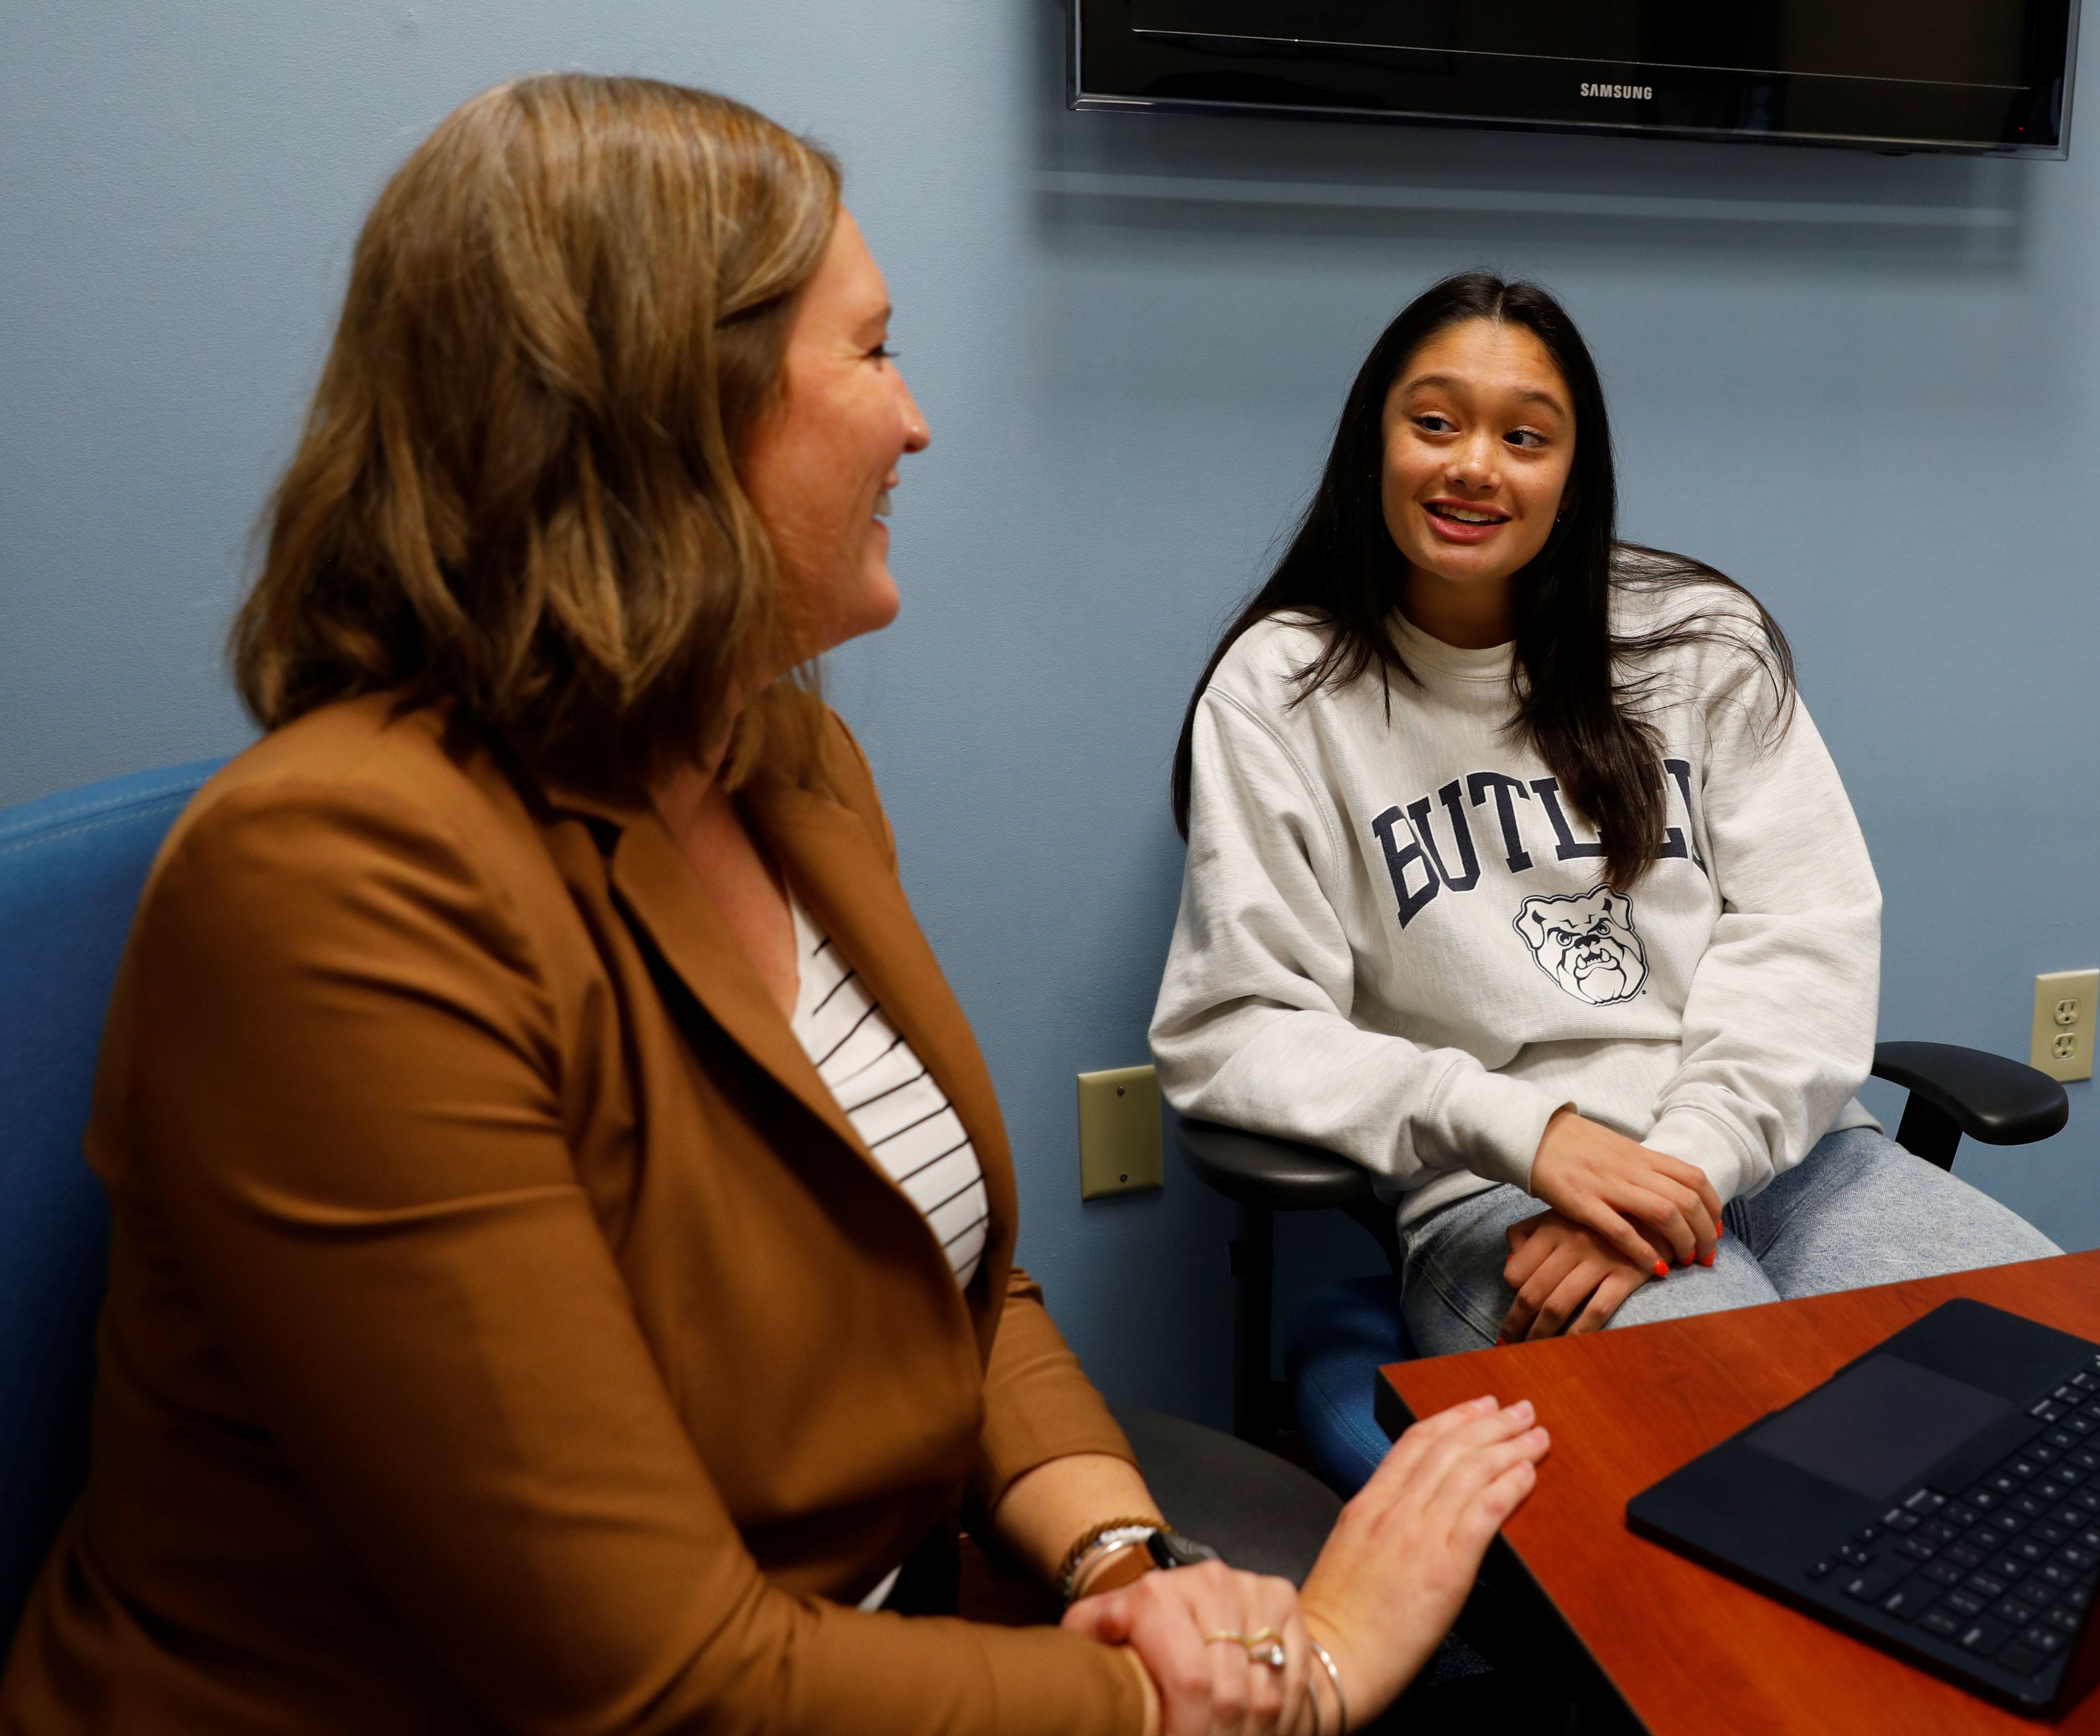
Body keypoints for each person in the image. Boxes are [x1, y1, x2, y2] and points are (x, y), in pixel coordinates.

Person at [0, 75, 1544, 1736]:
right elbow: (653, 1682)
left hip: (862, 1634)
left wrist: (1120, 1564)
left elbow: (943, 1287)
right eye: (871, 353)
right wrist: (1258, 1693)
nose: (916, 421)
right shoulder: (336, 889)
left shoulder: (776, 755)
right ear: (667, 405)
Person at [1151, 274, 2059, 1358]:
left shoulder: (1699, 641)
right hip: (1509, 1201)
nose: (1475, 465)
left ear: (1574, 479)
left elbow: (1806, 940)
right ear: (1373, 445)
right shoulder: (1286, 690)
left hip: (1779, 1154)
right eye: (1434, 423)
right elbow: (1236, 1028)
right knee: (1735, 1412)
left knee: (2047, 1360)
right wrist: (1533, 1135)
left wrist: (1687, 1163)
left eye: (1526, 438)